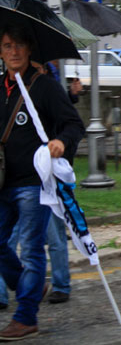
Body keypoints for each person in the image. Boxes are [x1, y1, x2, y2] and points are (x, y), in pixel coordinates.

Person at [0, 23, 85, 340]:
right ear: (1, 51)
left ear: (30, 49)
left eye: (19, 45)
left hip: (34, 183)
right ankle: (29, 283)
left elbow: (73, 125)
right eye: (7, 45)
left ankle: (25, 317)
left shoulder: (45, 87)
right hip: (3, 182)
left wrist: (61, 142)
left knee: (32, 249)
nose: (14, 51)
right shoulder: (0, 88)